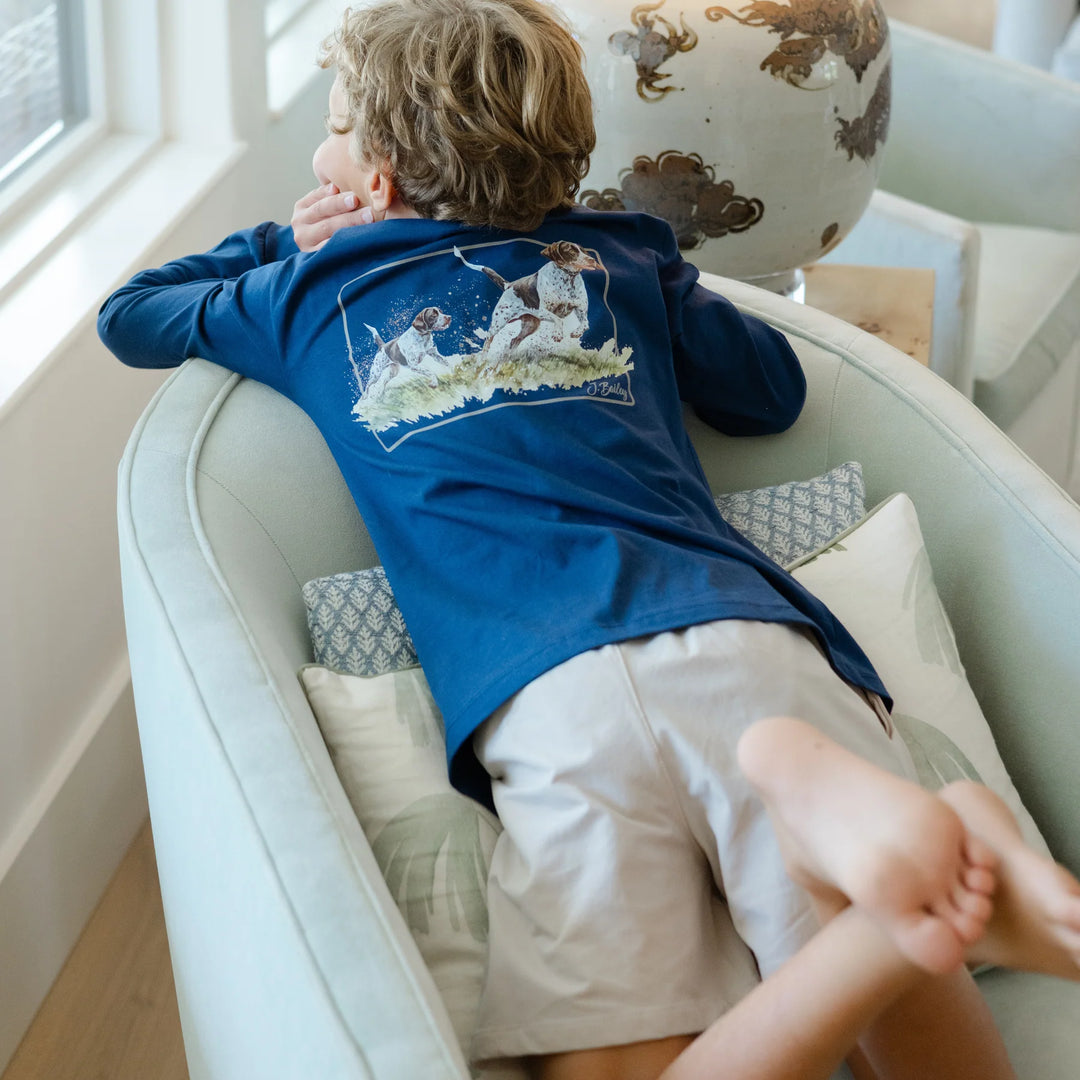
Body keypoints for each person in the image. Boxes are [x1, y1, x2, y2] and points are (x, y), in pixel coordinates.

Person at [96, 2, 1080, 1077]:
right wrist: (662, 284)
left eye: (336, 131)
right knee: (921, 1033)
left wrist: (294, 240)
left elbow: (133, 313)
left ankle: (881, 919)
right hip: (744, 640)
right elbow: (770, 393)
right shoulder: (619, 255)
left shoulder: (309, 293)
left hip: (551, 696)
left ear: (373, 182)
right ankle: (883, 888)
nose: (322, 154)